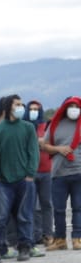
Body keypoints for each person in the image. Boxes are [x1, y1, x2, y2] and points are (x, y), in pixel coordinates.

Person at [0, 95, 40, 263]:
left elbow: (33, 152)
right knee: (0, 217)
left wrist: (30, 174)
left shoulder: (28, 127)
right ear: (8, 107)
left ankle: (25, 247)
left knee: (25, 215)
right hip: (3, 181)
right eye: (17, 104)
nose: (22, 107)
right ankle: (1, 248)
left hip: (24, 180)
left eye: (21, 104)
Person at [42, 97, 81, 250]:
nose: (73, 109)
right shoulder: (55, 124)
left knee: (78, 207)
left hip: (79, 172)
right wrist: (59, 149)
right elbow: (45, 146)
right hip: (59, 173)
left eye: (76, 106)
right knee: (58, 209)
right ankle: (60, 239)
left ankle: (77, 238)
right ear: (64, 107)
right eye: (70, 106)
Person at [27, 99, 53, 251]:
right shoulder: (26, 126)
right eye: (31, 109)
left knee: (47, 203)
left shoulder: (46, 127)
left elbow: (48, 143)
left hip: (46, 171)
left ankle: (48, 233)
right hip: (31, 172)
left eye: (36, 109)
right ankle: (35, 234)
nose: (33, 111)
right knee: (33, 205)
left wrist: (41, 143)